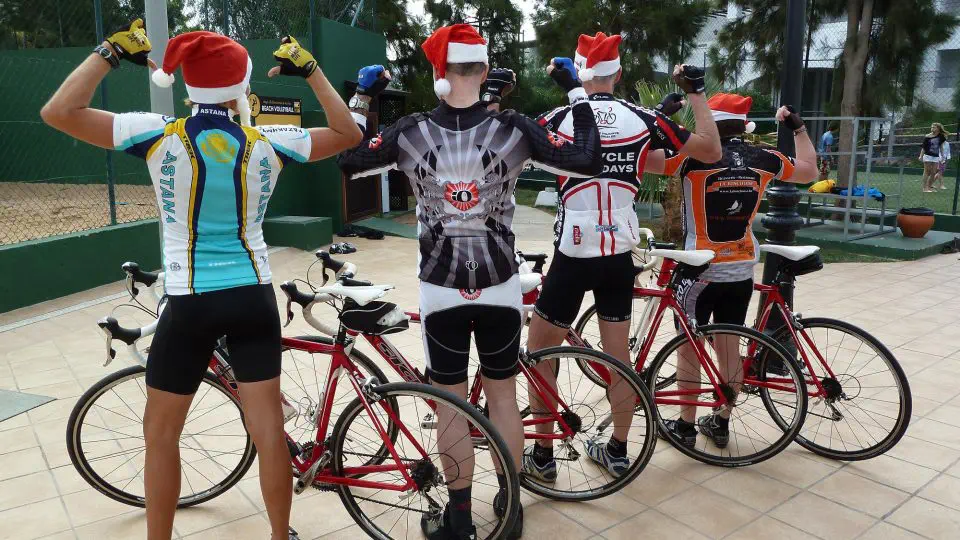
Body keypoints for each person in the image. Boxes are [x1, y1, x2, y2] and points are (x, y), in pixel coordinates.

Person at [41, 21, 361, 540]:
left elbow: (58, 111)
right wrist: (312, 71)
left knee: (161, 435)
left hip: (190, 300)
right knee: (269, 433)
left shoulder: (156, 132)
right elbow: (349, 134)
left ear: (189, 87)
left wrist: (109, 52)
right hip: (253, 296)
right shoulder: (268, 140)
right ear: (241, 87)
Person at [336, 23, 602, 540]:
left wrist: (363, 97)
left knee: (450, 403)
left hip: (440, 289)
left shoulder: (409, 131)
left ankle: (459, 520)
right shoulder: (515, 128)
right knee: (502, 397)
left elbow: (348, 159)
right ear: (483, 71)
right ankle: (511, 507)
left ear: (439, 73)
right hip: (501, 285)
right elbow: (586, 158)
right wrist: (576, 91)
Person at [483, 32, 721, 479]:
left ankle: (544, 456)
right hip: (619, 254)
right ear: (619, 73)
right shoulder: (644, 118)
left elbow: (490, 142)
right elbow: (710, 149)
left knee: (540, 352)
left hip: (573, 253)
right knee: (618, 359)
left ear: (579, 72)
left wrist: (493, 97)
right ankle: (617, 449)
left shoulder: (559, 117)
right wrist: (695, 92)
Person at [645, 94, 819, 447]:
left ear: (709, 124)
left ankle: (685, 427)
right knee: (728, 349)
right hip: (741, 268)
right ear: (743, 126)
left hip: (699, 270)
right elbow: (810, 171)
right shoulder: (765, 158)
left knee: (689, 348)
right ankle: (721, 421)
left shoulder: (691, 156)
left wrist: (657, 117)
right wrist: (798, 129)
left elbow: (642, 158)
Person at [921, 123, 948, 192]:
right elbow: (923, 148)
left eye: (934, 127)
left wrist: (943, 156)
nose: (932, 128)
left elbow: (941, 147)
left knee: (933, 172)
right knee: (927, 172)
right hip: (927, 156)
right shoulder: (927, 136)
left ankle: (929, 187)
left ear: (938, 129)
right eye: (931, 127)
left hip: (936, 156)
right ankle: (924, 188)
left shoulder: (941, 136)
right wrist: (921, 156)